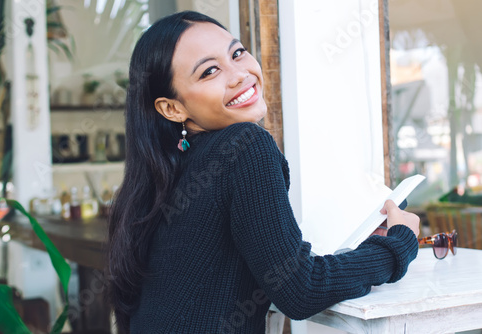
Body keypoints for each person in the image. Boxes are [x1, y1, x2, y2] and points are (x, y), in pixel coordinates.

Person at [107, 11, 420, 334]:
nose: (240, 74)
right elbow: (301, 290)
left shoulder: (159, 178)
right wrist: (399, 243)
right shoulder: (245, 146)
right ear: (172, 108)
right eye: (209, 71)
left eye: (237, 53)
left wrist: (360, 249)